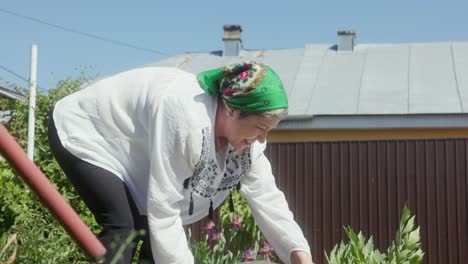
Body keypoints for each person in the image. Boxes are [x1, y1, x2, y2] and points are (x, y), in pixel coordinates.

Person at [48, 61, 313, 264]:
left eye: (269, 130)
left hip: (133, 149)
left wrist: (296, 250)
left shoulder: (247, 145)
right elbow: (164, 207)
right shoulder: (185, 118)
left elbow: (267, 196)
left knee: (155, 240)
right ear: (231, 109)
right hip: (90, 131)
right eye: (259, 127)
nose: (261, 139)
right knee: (124, 228)